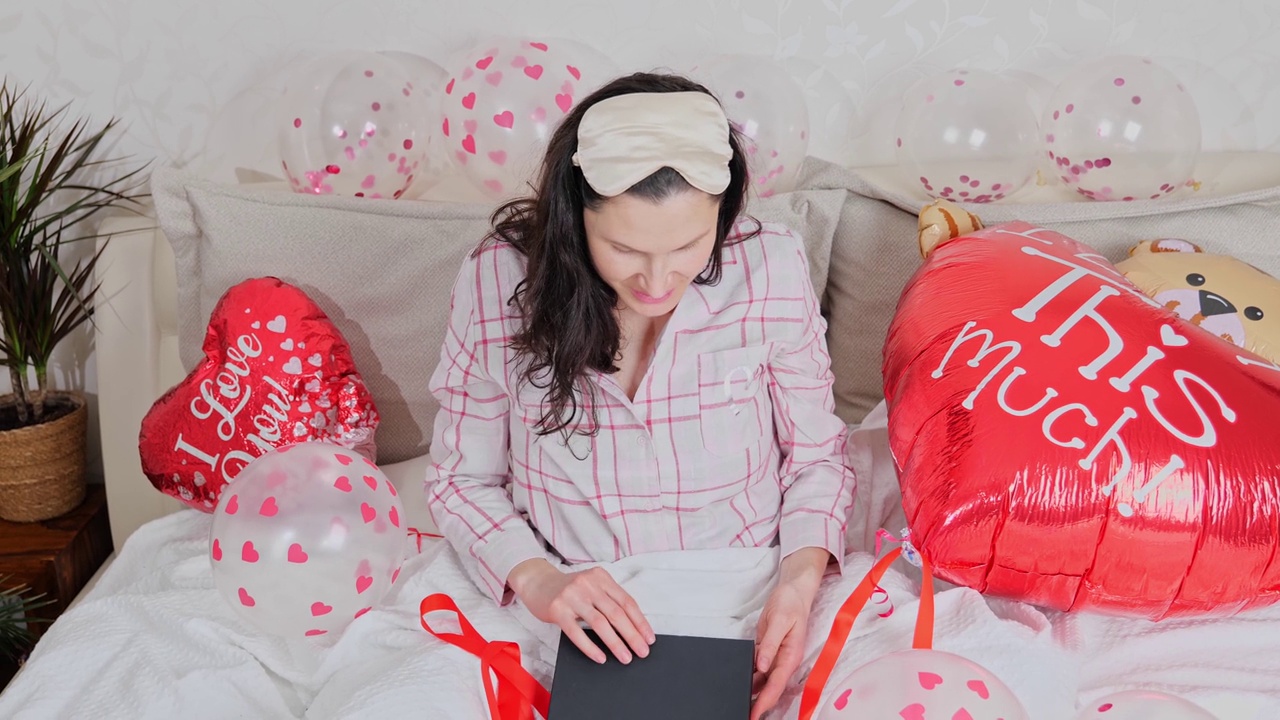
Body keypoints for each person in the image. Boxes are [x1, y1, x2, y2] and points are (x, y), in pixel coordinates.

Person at [424, 71, 855, 718]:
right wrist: (538, 580)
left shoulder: (772, 268)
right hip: (570, 597)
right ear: (575, 222)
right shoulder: (499, 280)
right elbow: (460, 479)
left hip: (748, 587)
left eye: (687, 245)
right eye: (623, 248)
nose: (657, 280)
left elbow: (817, 457)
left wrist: (798, 581)